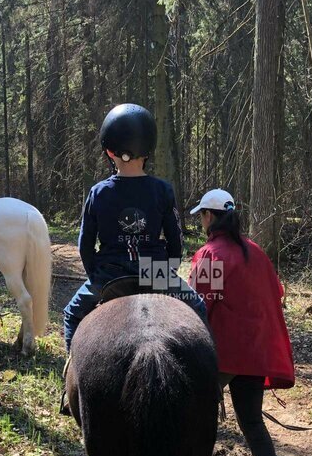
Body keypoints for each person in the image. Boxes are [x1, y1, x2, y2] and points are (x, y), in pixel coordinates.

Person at [62, 103, 206, 351]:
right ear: (148, 151)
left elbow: (85, 244)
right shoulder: (162, 189)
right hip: (155, 272)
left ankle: (70, 370)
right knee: (199, 307)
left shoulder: (98, 192)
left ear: (109, 151)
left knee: (72, 314)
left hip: (110, 273)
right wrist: (166, 271)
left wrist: (96, 273)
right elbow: (176, 240)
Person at [189, 188, 295, 456]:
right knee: (252, 424)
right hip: (254, 354)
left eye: (202, 216)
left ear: (209, 217)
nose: (201, 222)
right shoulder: (255, 252)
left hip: (221, 356)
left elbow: (199, 305)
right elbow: (275, 291)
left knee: (194, 424)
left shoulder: (211, 254)